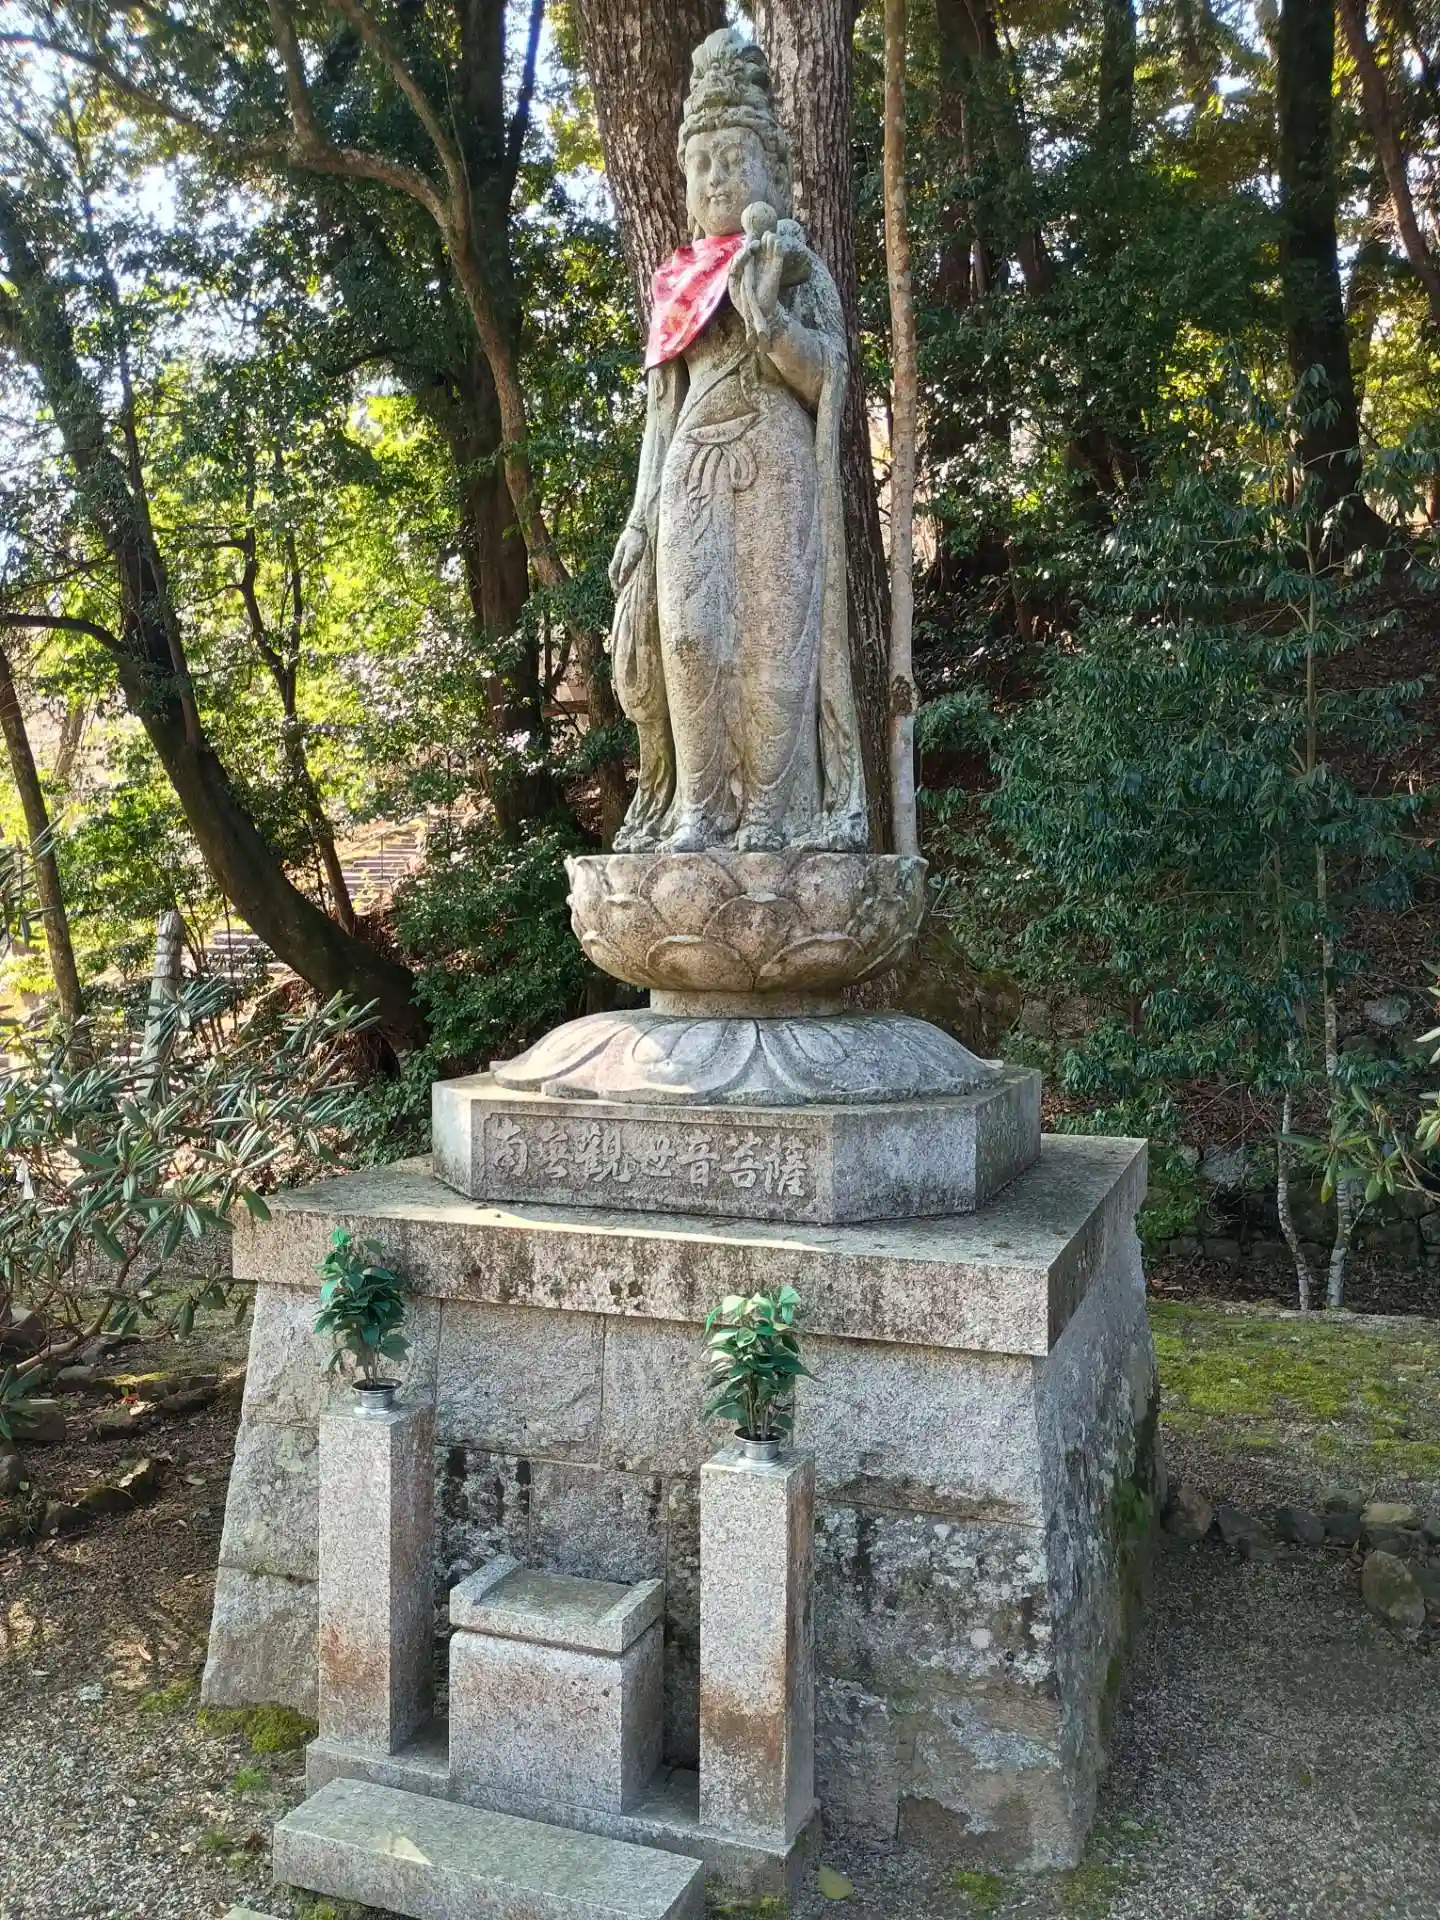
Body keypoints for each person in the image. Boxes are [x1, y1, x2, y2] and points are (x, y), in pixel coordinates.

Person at [607, 28, 866, 856]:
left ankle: (771, 814)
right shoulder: (678, 286)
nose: (716, 177)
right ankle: (700, 808)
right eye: (702, 163)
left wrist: (771, 319)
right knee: (691, 637)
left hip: (778, 464)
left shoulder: (795, 267)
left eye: (734, 159)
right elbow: (660, 415)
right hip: (689, 472)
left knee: (772, 638)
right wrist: (639, 519)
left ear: (776, 173)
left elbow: (826, 381)